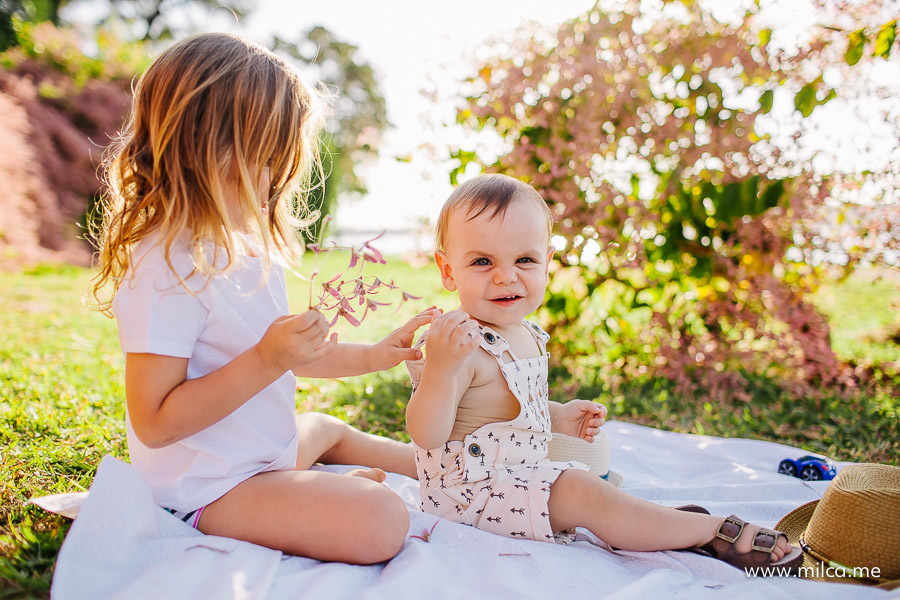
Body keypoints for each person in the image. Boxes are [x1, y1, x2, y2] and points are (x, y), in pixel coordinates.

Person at [90, 33, 431, 564]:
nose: (275, 178)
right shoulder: (166, 265)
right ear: (209, 146)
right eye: (268, 156)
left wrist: (375, 354)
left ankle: (440, 469)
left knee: (329, 429)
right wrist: (266, 359)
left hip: (264, 457)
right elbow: (155, 422)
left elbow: (287, 358)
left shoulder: (242, 248)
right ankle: (322, 497)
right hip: (209, 489)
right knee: (381, 520)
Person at [404, 173, 803, 572]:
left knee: (586, 484)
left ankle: (656, 523)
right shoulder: (458, 344)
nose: (506, 276)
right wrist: (439, 370)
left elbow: (500, 411)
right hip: (470, 497)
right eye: (482, 261)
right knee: (581, 491)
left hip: (515, 477)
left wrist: (556, 416)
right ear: (448, 270)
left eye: (524, 259)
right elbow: (427, 434)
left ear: (548, 262)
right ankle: (706, 532)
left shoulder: (523, 331)